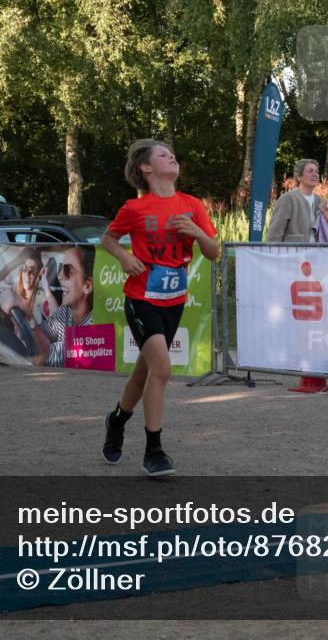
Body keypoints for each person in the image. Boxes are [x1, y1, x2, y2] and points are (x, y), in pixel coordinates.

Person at [100, 139, 219, 477]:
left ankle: (117, 420)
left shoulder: (191, 205)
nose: (172, 156)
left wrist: (196, 231)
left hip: (175, 301)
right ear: (146, 169)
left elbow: (213, 252)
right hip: (141, 299)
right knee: (162, 369)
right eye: (163, 154)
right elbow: (108, 239)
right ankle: (154, 450)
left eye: (173, 153)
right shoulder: (135, 209)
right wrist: (125, 257)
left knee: (144, 372)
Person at [35, 245, 95, 367]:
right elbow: (40, 338)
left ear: (87, 286)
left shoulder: (96, 325)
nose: (60, 276)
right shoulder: (64, 312)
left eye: (68, 271)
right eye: (61, 269)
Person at [265, 159, 322, 242]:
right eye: (310, 171)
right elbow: (275, 233)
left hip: (316, 253)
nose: (315, 174)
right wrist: (272, 252)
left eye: (317, 172)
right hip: (292, 253)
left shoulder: (319, 200)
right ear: (299, 176)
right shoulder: (287, 199)